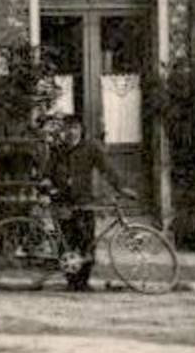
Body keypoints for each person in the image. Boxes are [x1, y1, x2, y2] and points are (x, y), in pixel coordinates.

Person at [47, 114, 135, 292]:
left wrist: (121, 187)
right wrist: (47, 186)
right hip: (63, 201)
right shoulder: (58, 150)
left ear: (81, 130)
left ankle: (83, 281)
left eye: (75, 128)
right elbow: (47, 171)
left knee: (87, 241)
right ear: (63, 131)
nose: (71, 132)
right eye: (67, 128)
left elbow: (107, 168)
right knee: (66, 240)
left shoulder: (91, 148)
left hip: (84, 200)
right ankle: (71, 281)